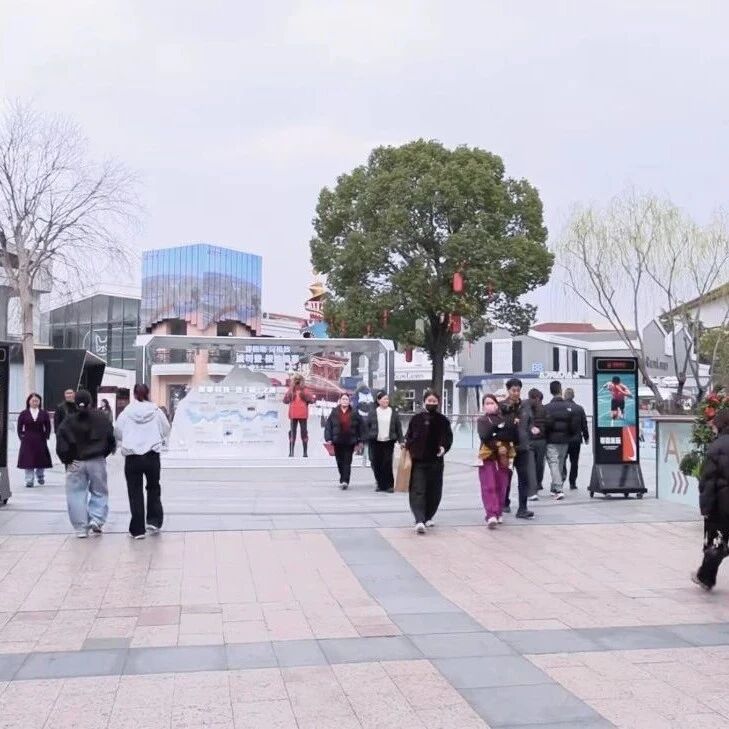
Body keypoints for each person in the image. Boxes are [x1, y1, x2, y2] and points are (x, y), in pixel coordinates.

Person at [55, 390, 116, 538]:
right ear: (91, 402)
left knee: (75, 493)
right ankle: (96, 519)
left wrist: (67, 459)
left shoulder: (68, 421)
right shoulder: (101, 417)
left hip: (75, 461)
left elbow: (61, 441)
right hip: (96, 459)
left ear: (75, 402)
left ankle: (80, 528)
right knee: (99, 491)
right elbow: (110, 438)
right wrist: (104, 453)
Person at [114, 383, 171, 539]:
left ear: (134, 394)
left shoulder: (126, 412)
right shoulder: (156, 411)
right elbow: (166, 428)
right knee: (153, 488)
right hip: (152, 455)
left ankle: (138, 530)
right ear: (148, 393)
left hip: (132, 456)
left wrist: (129, 437)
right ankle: (154, 521)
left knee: (135, 492)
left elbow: (117, 431)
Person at [404, 390, 453, 534]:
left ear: (438, 403)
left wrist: (444, 447)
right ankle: (419, 519)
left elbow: (448, 437)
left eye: (434, 401)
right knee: (418, 489)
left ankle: (428, 515)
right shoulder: (416, 419)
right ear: (424, 401)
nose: (431, 403)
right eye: (429, 401)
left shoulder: (443, 420)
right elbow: (409, 436)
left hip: (436, 460)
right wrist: (408, 445)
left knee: (434, 490)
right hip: (418, 460)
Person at [692, 410, 729, 591]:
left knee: (717, 543)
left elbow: (708, 481)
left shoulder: (717, 446)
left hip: (722, 505)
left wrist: (705, 508)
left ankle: (706, 578)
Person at [478, 394, 516, 528]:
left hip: (504, 456)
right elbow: (485, 436)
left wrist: (500, 438)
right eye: (487, 403)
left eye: (492, 402)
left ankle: (499, 511)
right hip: (488, 456)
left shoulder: (504, 418)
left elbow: (510, 433)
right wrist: (498, 444)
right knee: (489, 485)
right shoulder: (482, 420)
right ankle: (491, 514)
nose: (490, 405)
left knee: (502, 485)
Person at [500, 379, 535, 519]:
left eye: (518, 390)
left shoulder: (525, 406)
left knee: (524, 477)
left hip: (523, 446)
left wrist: (532, 429)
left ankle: (523, 508)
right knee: (506, 476)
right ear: (508, 390)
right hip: (508, 447)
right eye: (513, 390)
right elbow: (499, 424)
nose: (516, 393)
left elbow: (530, 421)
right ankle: (504, 502)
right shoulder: (502, 406)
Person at [366, 391, 404, 493]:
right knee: (376, 463)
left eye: (387, 399)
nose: (386, 401)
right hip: (376, 441)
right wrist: (368, 437)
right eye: (384, 399)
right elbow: (367, 426)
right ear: (378, 401)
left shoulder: (393, 412)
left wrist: (401, 440)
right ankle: (380, 484)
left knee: (387, 463)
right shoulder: (373, 412)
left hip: (388, 441)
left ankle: (389, 485)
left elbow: (398, 427)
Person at [544, 381, 575, 500]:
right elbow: (572, 425)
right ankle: (554, 487)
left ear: (550, 391)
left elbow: (545, 425)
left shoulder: (547, 407)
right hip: (565, 439)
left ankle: (558, 488)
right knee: (560, 463)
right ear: (560, 390)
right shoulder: (568, 407)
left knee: (553, 463)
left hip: (551, 440)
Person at [324, 393, 363, 490]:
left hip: (350, 440)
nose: (345, 401)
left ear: (349, 401)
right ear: (340, 401)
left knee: (347, 461)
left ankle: (345, 481)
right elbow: (329, 426)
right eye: (343, 399)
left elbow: (361, 426)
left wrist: (360, 439)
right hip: (338, 440)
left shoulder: (354, 412)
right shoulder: (335, 412)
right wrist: (328, 438)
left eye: (346, 399)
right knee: (339, 461)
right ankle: (342, 478)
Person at [17, 393, 53, 488]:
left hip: (40, 439)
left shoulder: (43, 413)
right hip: (28, 440)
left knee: (41, 459)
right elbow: (19, 426)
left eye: (37, 401)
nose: (35, 402)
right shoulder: (24, 413)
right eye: (33, 400)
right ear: (29, 402)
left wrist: (46, 435)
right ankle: (29, 480)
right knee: (28, 460)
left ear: (40, 402)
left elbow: (48, 426)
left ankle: (40, 476)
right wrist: (21, 436)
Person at [563, 388, 589, 490]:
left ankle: (562, 476)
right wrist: (586, 437)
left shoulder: (561, 408)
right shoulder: (579, 409)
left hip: (563, 440)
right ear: (573, 396)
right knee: (574, 462)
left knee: (562, 460)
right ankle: (572, 482)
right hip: (576, 440)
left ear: (564, 395)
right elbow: (584, 424)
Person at [283, 374, 314, 457]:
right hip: (300, 414)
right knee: (302, 432)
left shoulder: (292, 390)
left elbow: (285, 400)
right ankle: (303, 453)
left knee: (294, 432)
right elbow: (311, 400)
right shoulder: (303, 390)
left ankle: (293, 452)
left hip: (295, 414)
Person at [527, 388, 548, 501]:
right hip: (541, 440)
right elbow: (549, 423)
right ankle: (538, 482)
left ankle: (532, 484)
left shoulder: (525, 409)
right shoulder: (544, 409)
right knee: (540, 463)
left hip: (529, 440)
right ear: (539, 398)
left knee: (530, 464)